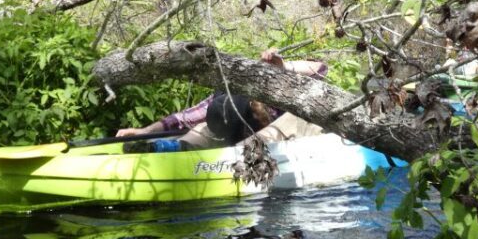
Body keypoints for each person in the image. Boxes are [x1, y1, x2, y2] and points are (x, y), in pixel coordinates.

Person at [115, 48, 327, 149]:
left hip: (286, 138)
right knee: (202, 128)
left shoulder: (279, 85)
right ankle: (174, 148)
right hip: (232, 136)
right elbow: (184, 118)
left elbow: (320, 69)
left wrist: (283, 67)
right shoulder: (227, 94)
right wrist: (145, 132)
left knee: (289, 120)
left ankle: (243, 154)